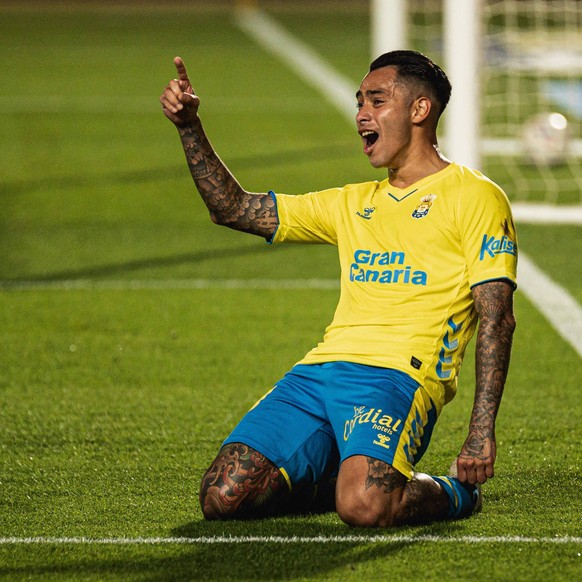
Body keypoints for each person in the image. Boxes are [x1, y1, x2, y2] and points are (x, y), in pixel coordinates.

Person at [160, 50, 517, 527]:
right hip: (319, 373)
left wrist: (480, 430)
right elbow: (234, 209)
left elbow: (497, 316)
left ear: (419, 110)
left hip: (398, 377)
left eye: (376, 100)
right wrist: (188, 126)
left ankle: (455, 495)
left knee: (365, 507)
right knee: (222, 496)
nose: (361, 115)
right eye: (359, 103)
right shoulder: (351, 202)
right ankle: (347, 475)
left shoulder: (476, 197)